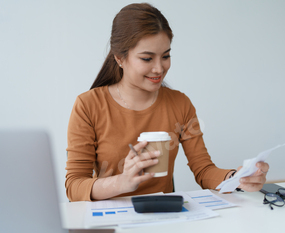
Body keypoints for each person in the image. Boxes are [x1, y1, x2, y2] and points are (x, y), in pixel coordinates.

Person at [65, 3, 269, 202]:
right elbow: (74, 186)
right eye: (147, 58)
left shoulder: (180, 104)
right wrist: (122, 182)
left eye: (165, 56)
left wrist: (237, 178)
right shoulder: (88, 105)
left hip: (163, 215)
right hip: (109, 218)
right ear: (119, 58)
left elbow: (204, 170)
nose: (159, 69)